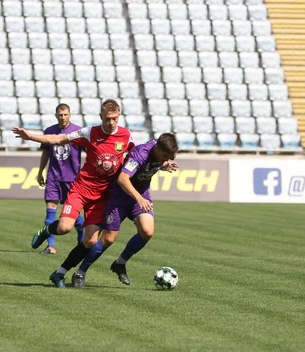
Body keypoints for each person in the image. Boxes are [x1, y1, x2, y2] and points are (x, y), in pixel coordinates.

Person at [13, 99, 134, 288]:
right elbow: (57, 139)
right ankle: (47, 230)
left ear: (119, 116)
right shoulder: (89, 132)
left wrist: (162, 163)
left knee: (90, 241)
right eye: (108, 118)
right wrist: (30, 136)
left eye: (115, 118)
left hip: (102, 196)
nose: (111, 123)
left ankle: (60, 273)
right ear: (101, 116)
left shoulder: (125, 135)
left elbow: (137, 154)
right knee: (64, 228)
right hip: (81, 189)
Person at [70, 133, 180, 288]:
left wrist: (164, 165)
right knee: (108, 239)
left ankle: (119, 263)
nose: (165, 159)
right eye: (163, 156)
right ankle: (80, 272)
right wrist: (139, 199)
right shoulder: (139, 154)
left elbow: (156, 163)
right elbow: (123, 179)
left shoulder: (161, 152)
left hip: (140, 195)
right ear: (156, 148)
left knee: (147, 231)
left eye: (169, 157)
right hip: (120, 197)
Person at [36, 104, 84, 255]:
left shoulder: (78, 132)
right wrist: (40, 172)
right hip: (53, 178)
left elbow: (90, 152)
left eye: (65, 115)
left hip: (72, 179)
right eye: (60, 115)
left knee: (73, 215)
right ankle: (51, 247)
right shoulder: (49, 132)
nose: (63, 118)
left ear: (70, 115)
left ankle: (82, 240)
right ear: (56, 115)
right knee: (50, 212)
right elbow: (45, 153)